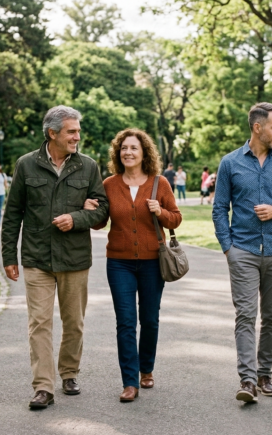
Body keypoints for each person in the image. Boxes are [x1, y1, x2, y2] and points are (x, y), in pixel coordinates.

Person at [1, 105, 109, 411]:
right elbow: (12, 214)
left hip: (74, 259)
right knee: (39, 324)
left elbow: (103, 208)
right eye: (71, 131)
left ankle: (69, 372)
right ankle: (43, 387)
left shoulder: (88, 166)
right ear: (53, 134)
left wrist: (76, 218)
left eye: (77, 131)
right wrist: (9, 255)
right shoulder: (26, 165)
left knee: (74, 322)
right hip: (37, 258)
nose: (77, 136)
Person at [212, 102, 272, 404]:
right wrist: (228, 248)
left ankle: (265, 374)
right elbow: (219, 209)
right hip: (243, 250)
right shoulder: (230, 163)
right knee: (245, 315)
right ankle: (248, 380)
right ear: (258, 127)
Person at [87, 128, 182, 402]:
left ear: (144, 153)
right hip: (119, 263)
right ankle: (130, 382)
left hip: (153, 262)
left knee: (150, 320)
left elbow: (175, 219)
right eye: (124, 148)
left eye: (134, 148)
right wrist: (90, 208)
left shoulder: (159, 183)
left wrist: (159, 211)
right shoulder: (109, 184)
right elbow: (99, 223)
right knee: (126, 322)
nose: (128, 152)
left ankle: (146, 368)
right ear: (118, 153)